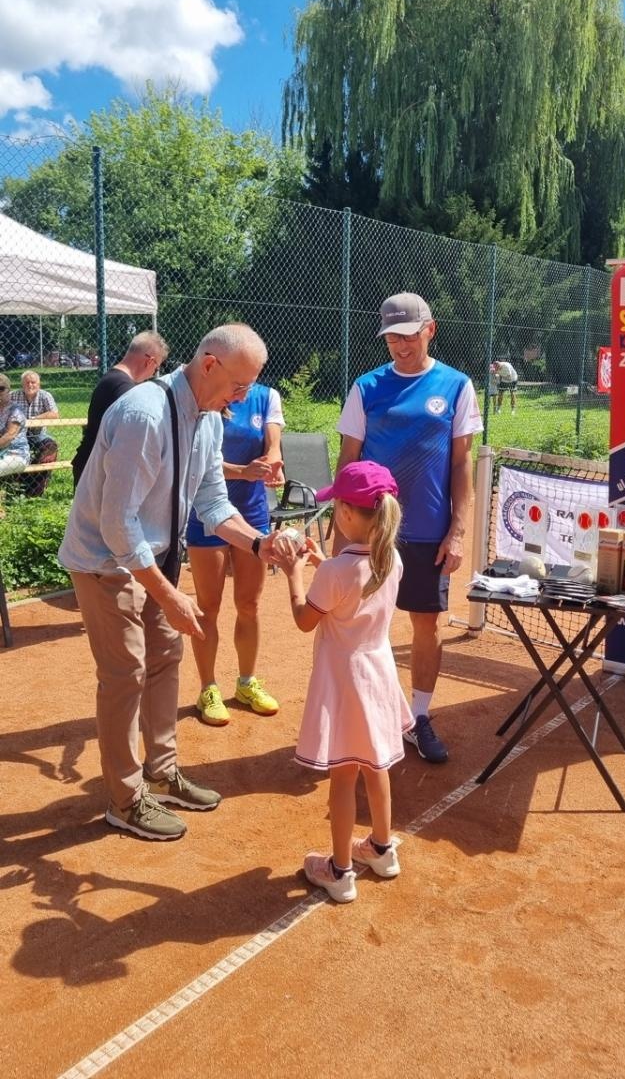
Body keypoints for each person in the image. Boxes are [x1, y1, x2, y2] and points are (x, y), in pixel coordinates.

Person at [58, 324, 281, 842]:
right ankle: (124, 799)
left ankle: (162, 771)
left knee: (166, 657)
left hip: (152, 555)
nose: (243, 397)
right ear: (209, 365)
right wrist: (169, 593)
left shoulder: (208, 421)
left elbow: (214, 504)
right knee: (125, 673)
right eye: (239, 385)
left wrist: (258, 544)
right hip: (102, 561)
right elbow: (118, 526)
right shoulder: (143, 414)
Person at [335, 292, 483, 764]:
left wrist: (457, 530)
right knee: (356, 625)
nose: (399, 345)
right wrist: (342, 542)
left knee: (426, 624)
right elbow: (347, 461)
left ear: (429, 330)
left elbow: (462, 466)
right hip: (370, 532)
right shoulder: (366, 387)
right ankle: (358, 713)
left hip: (428, 531)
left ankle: (418, 718)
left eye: (408, 335)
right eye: (391, 337)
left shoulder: (457, 386)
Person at [277, 461, 414, 904]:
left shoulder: (335, 572)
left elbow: (304, 620)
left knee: (343, 776)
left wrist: (295, 574)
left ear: (350, 515)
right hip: (377, 673)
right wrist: (324, 565)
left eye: (337, 504)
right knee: (377, 766)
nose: (334, 509)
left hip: (344, 682)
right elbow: (352, 584)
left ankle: (339, 871)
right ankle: (381, 847)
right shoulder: (391, 559)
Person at [187, 383, 285, 724]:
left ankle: (246, 683)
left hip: (253, 513)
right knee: (207, 606)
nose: (243, 384)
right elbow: (199, 460)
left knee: (249, 604)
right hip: (204, 513)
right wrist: (242, 472)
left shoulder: (266, 396)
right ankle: (207, 688)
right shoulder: (207, 395)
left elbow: (273, 444)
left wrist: (274, 462)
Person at [71, 330, 169, 487]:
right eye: (156, 368)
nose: (153, 374)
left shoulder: (112, 380)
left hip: (91, 465)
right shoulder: (125, 388)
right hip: (98, 473)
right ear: (149, 362)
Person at [12, 370, 60, 496]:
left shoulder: (45, 395)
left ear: (39, 384)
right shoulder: (13, 396)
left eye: (33, 382)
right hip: (17, 434)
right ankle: (17, 482)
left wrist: (34, 420)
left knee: (51, 447)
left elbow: (54, 414)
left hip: (38, 434)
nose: (30, 385)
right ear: (22, 384)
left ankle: (35, 488)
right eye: (27, 382)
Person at [0, 375, 30, 511]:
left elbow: (9, 436)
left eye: (1, 389)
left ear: (8, 390)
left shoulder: (16, 410)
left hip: (16, 455)